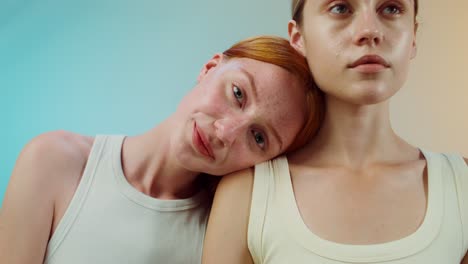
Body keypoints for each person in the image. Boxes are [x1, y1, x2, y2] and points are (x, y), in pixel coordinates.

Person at [0, 35, 323, 264]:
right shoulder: (54, 161)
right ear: (210, 67)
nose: (226, 132)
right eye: (237, 93)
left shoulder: (226, 239)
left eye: (258, 138)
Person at [202, 0, 468, 263]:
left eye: (391, 8)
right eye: (341, 8)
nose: (370, 31)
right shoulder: (248, 194)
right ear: (299, 37)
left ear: (413, 37)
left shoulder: (461, 186)